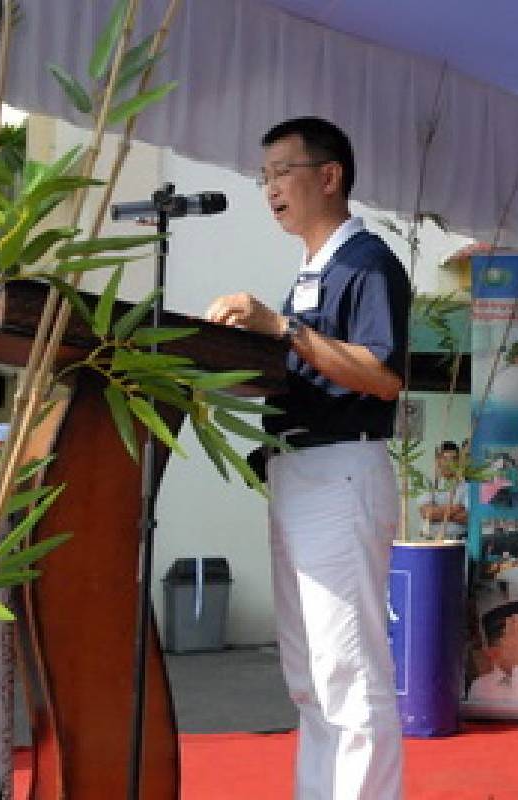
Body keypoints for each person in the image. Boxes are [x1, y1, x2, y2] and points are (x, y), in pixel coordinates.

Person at [204, 116, 410, 800]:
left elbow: (381, 375)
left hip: (339, 472)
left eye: (282, 172)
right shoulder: (313, 270)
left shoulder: (368, 262)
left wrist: (282, 329)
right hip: (297, 474)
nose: (269, 189)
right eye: (263, 176)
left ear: (330, 176)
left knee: (348, 673)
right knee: (311, 677)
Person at [415, 440, 468, 540]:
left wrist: (438, 513)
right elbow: (426, 513)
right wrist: (458, 508)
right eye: (445, 458)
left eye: (453, 459)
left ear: (458, 462)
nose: (448, 463)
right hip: (432, 540)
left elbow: (467, 518)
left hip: (459, 541)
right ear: (438, 460)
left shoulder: (466, 486)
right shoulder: (428, 483)